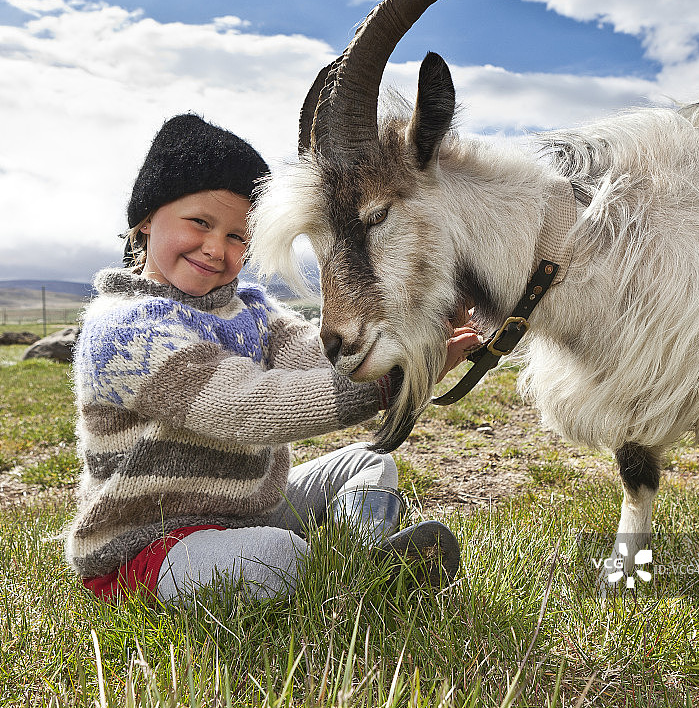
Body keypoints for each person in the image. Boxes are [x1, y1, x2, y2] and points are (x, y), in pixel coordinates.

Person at [65, 113, 479, 604]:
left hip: (247, 509)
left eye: (238, 236)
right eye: (200, 223)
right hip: (151, 545)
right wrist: (390, 385)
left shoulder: (249, 310)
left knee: (369, 462)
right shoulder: (122, 331)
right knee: (275, 555)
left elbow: (313, 356)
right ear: (146, 221)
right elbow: (242, 406)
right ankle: (355, 580)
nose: (216, 248)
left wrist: (411, 346)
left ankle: (364, 552)